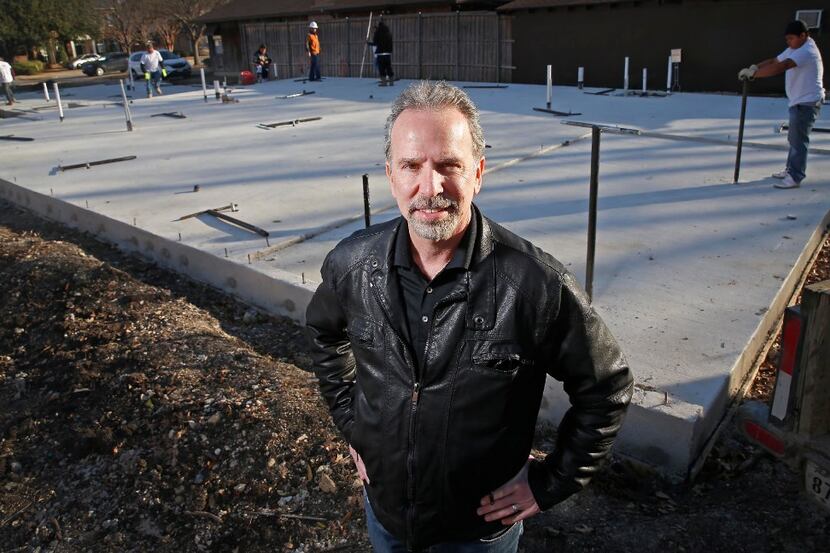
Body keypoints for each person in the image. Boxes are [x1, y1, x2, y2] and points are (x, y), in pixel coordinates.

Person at [305, 81, 634, 552]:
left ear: (478, 173)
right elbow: (324, 335)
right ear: (390, 174)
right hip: (387, 520)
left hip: (478, 536)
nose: (430, 186)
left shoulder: (534, 284)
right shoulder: (352, 266)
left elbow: (607, 386)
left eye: (448, 166)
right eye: (412, 166)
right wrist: (356, 427)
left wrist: (550, 483)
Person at [739, 20, 825, 189]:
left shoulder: (807, 51)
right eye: (787, 39)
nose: (788, 43)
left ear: (803, 35)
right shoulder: (796, 47)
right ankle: (790, 170)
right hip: (798, 101)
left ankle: (795, 177)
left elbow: (781, 67)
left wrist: (754, 75)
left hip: (806, 102)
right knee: (794, 138)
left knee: (799, 140)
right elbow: (774, 61)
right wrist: (755, 67)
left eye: (791, 39)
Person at [369, 19, 394, 85]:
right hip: (387, 53)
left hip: (380, 53)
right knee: (388, 67)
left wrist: (368, 43)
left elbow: (375, 43)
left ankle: (384, 82)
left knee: (382, 68)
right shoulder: (389, 34)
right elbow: (391, 44)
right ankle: (391, 82)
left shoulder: (377, 33)